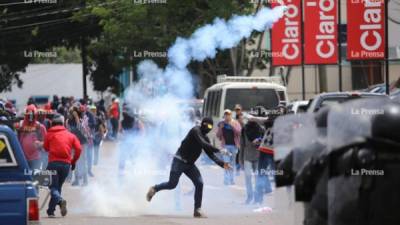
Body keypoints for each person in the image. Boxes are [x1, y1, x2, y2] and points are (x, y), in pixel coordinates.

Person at [146, 117, 232, 218]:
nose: (208, 128)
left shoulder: (205, 138)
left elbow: (211, 155)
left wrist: (222, 164)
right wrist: (220, 150)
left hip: (190, 164)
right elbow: (203, 143)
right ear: (203, 124)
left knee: (199, 183)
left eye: (210, 127)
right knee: (172, 184)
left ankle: (197, 210)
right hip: (179, 160)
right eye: (207, 125)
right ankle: (155, 188)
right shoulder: (195, 130)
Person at [43, 114, 82, 217]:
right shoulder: (70, 135)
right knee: (57, 187)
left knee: (52, 186)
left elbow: (45, 148)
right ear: (63, 124)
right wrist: (73, 161)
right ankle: (51, 211)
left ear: (52, 124)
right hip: (66, 165)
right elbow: (78, 149)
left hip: (53, 163)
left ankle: (60, 201)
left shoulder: (49, 134)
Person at [240, 118, 264, 204]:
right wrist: (240, 160)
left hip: (258, 157)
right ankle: (249, 196)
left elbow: (266, 142)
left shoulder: (261, 129)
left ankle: (258, 198)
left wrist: (259, 141)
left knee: (258, 178)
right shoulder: (244, 129)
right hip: (247, 157)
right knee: (248, 177)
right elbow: (242, 145)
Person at [16, 104, 47, 170]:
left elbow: (46, 142)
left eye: (32, 114)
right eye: (29, 114)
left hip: (36, 158)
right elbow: (16, 140)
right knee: (24, 178)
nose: (30, 116)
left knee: (35, 177)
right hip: (22, 157)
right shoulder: (20, 126)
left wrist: (40, 144)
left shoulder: (40, 127)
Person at [217, 109, 241, 185]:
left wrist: (232, 126)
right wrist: (220, 128)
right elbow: (218, 135)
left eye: (228, 114)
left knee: (232, 164)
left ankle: (231, 179)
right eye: (226, 114)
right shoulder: (221, 123)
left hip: (234, 146)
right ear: (224, 115)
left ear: (231, 115)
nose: (227, 116)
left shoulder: (235, 123)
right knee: (226, 163)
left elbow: (239, 132)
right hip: (225, 146)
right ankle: (226, 180)